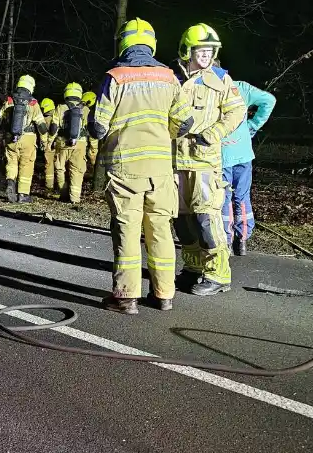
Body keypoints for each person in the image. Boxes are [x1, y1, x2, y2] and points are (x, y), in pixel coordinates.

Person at [91, 18, 194, 313]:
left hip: (126, 171)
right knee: (160, 230)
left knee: (127, 231)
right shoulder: (169, 77)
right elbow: (185, 122)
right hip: (161, 171)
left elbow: (98, 127)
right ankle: (164, 295)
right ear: (152, 43)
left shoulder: (116, 77)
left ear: (123, 42)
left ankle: (126, 297)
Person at [172, 24, 246, 296]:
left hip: (204, 161)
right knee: (181, 219)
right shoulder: (171, 77)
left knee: (205, 218)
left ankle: (218, 274)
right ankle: (193, 268)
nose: (205, 55)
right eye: (200, 50)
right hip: (174, 161)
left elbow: (236, 112)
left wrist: (214, 132)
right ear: (187, 51)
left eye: (209, 51)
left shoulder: (221, 79)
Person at [220, 80, 276, 255]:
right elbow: (269, 100)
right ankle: (242, 239)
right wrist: (252, 125)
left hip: (221, 154)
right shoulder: (241, 88)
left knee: (223, 197)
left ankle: (226, 240)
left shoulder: (208, 89)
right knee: (242, 197)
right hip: (243, 152)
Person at [0, 74, 47, 203]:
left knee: (11, 163)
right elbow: (41, 126)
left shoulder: (9, 100)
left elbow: (1, 123)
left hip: (10, 138)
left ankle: (10, 183)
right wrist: (44, 141)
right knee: (26, 165)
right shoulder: (33, 103)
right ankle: (23, 195)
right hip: (28, 139)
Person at [52, 83, 90, 204]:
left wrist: (50, 142)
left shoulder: (60, 107)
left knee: (60, 167)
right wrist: (93, 149)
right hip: (80, 143)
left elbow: (54, 127)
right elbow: (90, 130)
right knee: (77, 170)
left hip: (62, 142)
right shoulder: (86, 110)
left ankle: (63, 194)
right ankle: (74, 198)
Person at [38, 97, 58, 196]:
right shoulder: (59, 115)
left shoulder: (45, 119)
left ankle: (49, 187)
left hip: (49, 146)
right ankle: (61, 187)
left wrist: (45, 144)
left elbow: (43, 133)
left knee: (49, 166)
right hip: (61, 145)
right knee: (60, 166)